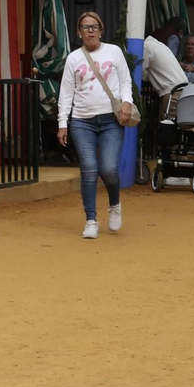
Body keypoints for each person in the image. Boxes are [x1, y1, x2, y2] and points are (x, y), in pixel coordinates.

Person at [57, 12, 133, 239]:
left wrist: (127, 102)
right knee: (89, 170)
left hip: (111, 119)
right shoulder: (73, 58)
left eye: (94, 26)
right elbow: (66, 92)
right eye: (85, 27)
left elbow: (125, 80)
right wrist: (63, 123)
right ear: (78, 32)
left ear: (101, 30)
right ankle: (91, 219)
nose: (90, 30)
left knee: (109, 169)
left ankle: (115, 204)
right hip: (82, 121)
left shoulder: (114, 51)